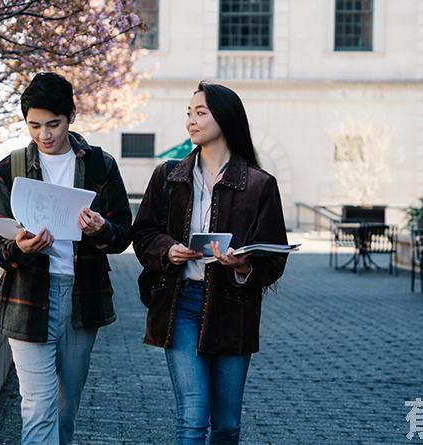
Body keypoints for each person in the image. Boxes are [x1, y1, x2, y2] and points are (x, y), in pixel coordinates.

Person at [0, 72, 132, 445]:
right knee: (37, 404)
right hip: (27, 297)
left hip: (82, 296)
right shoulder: (8, 169)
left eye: (53, 124)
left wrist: (101, 231)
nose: (44, 135)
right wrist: (18, 249)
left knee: (66, 406)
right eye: (34, 125)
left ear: (71, 117)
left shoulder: (100, 166)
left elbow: (124, 233)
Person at [131, 82, 289, 445]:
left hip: (232, 310)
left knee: (227, 425)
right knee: (192, 418)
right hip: (180, 303)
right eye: (189, 113)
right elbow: (143, 234)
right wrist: (168, 250)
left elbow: (275, 258)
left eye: (201, 112)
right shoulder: (169, 176)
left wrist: (243, 266)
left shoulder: (260, 185)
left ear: (226, 118)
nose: (192, 120)